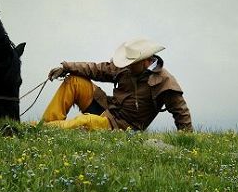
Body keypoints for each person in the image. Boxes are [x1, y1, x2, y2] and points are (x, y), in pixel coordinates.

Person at [41, 38, 192, 131]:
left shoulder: (164, 81)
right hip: (107, 108)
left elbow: (181, 112)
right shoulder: (126, 67)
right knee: (74, 81)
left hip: (122, 126)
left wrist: (187, 141)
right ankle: (48, 124)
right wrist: (66, 67)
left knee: (84, 121)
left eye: (132, 63)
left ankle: (42, 130)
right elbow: (96, 69)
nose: (128, 66)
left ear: (146, 61)